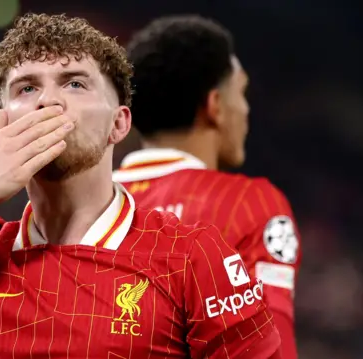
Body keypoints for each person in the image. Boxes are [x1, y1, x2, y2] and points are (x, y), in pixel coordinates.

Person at [0, 13, 281, 358]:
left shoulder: (191, 255)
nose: (49, 100)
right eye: (26, 89)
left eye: (75, 83)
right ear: (1, 124)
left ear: (119, 124)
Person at [113, 15, 300, 359]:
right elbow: (270, 346)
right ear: (214, 106)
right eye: (241, 92)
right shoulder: (250, 203)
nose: (246, 109)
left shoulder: (81, 203)